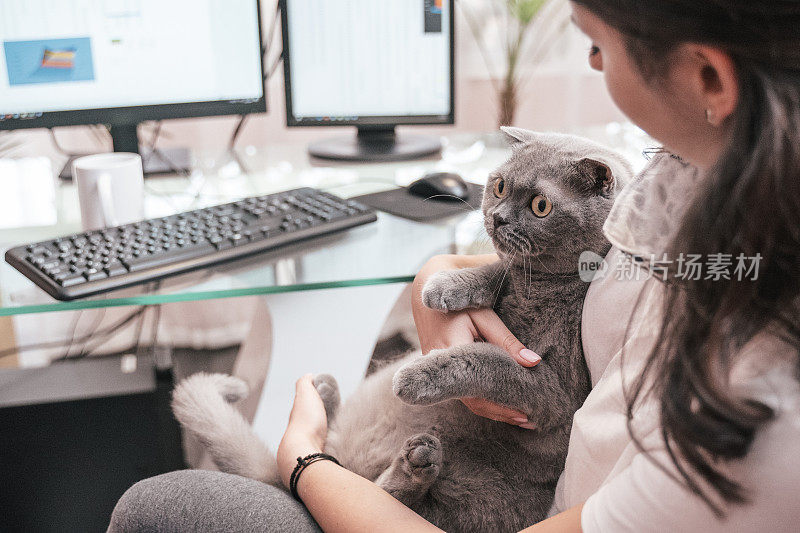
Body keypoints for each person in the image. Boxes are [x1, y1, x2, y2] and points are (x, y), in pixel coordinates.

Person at [108, 1, 800, 531]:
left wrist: (304, 462)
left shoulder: (757, 411)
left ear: (708, 75)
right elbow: (599, 273)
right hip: (497, 466)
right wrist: (438, 276)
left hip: (507, 508)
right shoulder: (705, 180)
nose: (591, 66)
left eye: (596, 45)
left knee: (164, 506)